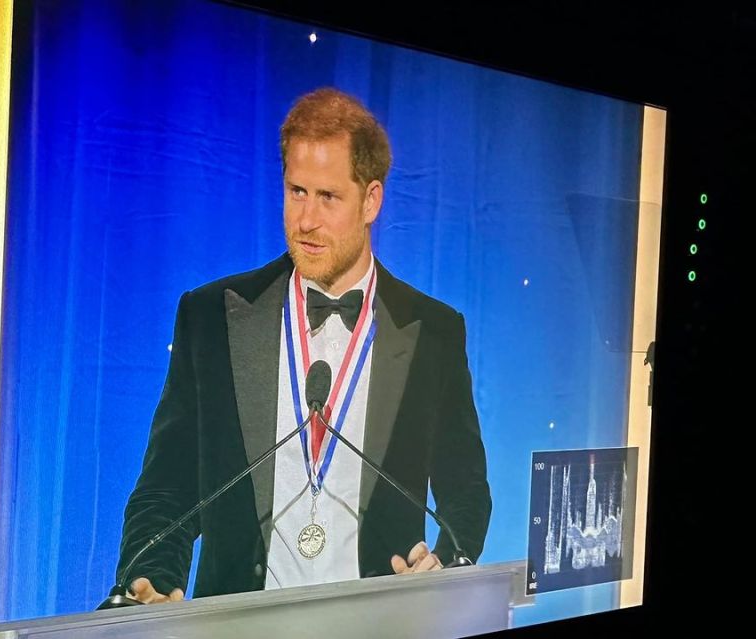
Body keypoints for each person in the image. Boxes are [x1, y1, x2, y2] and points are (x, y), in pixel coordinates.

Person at [115, 87, 491, 603]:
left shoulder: (434, 332)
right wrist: (149, 580)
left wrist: (446, 562)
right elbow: (167, 488)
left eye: (328, 197)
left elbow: (465, 492)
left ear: (371, 200)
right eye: (296, 192)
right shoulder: (211, 319)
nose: (306, 221)